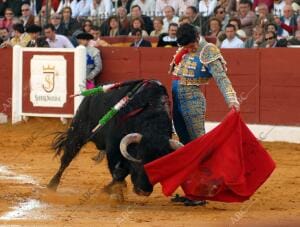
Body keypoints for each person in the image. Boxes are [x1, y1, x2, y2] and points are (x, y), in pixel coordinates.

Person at [169, 24, 240, 205]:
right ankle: (191, 191)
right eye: (185, 47)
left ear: (198, 36)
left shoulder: (208, 50)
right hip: (177, 97)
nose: (189, 49)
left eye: (191, 45)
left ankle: (201, 193)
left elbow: (222, 78)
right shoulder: (184, 46)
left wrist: (232, 100)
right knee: (186, 147)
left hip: (192, 100)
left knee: (197, 145)